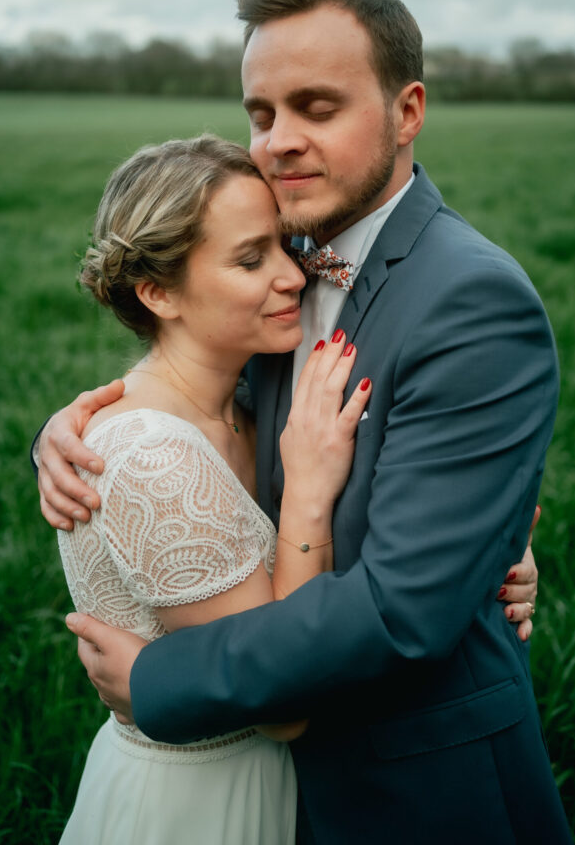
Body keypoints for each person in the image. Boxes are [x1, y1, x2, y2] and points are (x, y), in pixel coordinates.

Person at [38, 0, 572, 843]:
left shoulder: (472, 302)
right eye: (261, 113)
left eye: (316, 109)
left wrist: (164, 683)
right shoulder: (279, 258)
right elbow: (191, 397)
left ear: (406, 112)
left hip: (415, 790)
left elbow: (404, 610)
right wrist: (69, 432)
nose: (279, 141)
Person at [54, 133, 375, 843]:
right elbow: (281, 704)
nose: (294, 277)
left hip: (281, 788)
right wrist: (307, 494)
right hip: (191, 805)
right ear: (157, 292)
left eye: (284, 247)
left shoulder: (252, 403)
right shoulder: (147, 458)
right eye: (248, 258)